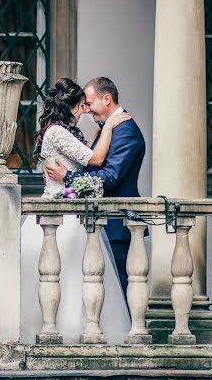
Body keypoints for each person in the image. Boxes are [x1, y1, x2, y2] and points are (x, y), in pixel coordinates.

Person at [20, 78, 132, 344]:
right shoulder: (56, 133)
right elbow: (96, 159)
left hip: (70, 209)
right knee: (64, 276)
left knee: (77, 279)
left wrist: (93, 139)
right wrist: (109, 126)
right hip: (62, 218)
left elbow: (76, 174)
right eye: (81, 106)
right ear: (68, 107)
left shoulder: (66, 132)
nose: (84, 111)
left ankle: (76, 331)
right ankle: (62, 332)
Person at [44, 77, 146, 294]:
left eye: (89, 103)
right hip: (99, 223)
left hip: (116, 226)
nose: (87, 110)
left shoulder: (125, 131)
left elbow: (109, 178)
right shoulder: (105, 130)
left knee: (119, 290)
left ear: (106, 98)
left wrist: (67, 177)